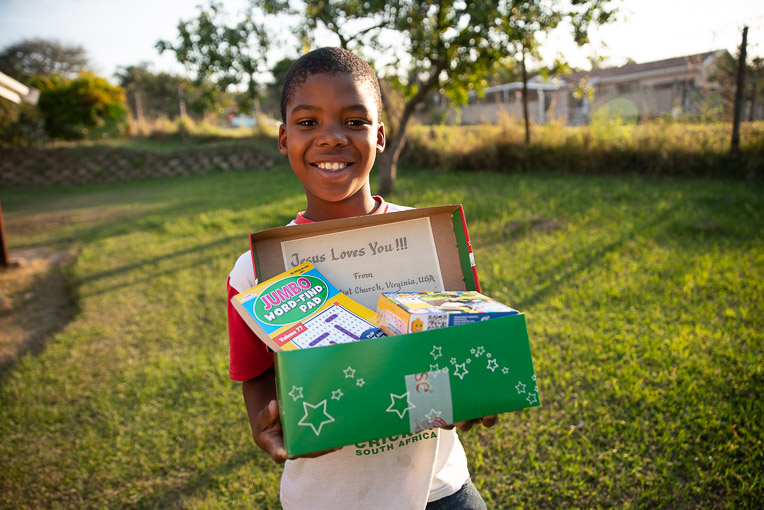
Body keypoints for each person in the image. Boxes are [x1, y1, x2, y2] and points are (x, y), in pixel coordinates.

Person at [227, 47, 497, 510]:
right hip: (325, 498)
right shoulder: (252, 270)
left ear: (380, 136)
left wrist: (472, 386)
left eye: (354, 122)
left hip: (439, 489)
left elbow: (456, 341)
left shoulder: (429, 239)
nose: (331, 138)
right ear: (283, 137)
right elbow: (254, 373)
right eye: (308, 123)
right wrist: (263, 422)